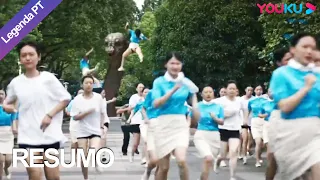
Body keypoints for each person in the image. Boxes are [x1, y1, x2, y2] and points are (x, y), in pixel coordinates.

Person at [3, 41, 71, 180]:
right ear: (20, 59)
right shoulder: (16, 83)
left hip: (49, 134)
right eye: (23, 55)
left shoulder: (48, 78)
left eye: (31, 54)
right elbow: (7, 102)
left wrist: (49, 115)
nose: (27, 58)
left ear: (38, 57)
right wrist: (7, 107)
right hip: (27, 135)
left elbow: (66, 98)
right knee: (34, 173)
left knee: (53, 176)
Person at [269, 32, 320, 180]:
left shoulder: (317, 75)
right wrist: (305, 88)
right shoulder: (281, 74)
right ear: (293, 49)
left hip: (315, 132)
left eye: (312, 47)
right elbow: (284, 107)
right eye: (305, 47)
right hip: (290, 132)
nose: (309, 51)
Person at [152, 52, 200, 180]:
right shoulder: (159, 82)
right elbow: (156, 104)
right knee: (164, 168)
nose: (175, 66)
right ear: (166, 65)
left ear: (181, 65)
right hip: (163, 124)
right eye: (172, 63)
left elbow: (194, 102)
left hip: (180, 124)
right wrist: (173, 90)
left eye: (178, 63)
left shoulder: (186, 82)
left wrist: (196, 110)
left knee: (181, 160)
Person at [70, 75, 106, 179]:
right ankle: (86, 177)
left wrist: (103, 127)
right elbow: (75, 117)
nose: (89, 85)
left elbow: (103, 114)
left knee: (93, 149)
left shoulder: (98, 98)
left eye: (91, 83)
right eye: (86, 83)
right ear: (82, 85)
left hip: (95, 130)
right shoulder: (77, 99)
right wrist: (87, 112)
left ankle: (97, 162)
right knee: (83, 159)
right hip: (82, 131)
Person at [265, 47, 292, 180]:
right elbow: (271, 93)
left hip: (299, 118)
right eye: (288, 59)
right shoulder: (278, 75)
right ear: (279, 62)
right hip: (278, 117)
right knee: (272, 156)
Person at [190, 86, 224, 180]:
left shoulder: (218, 107)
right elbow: (191, 121)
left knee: (208, 162)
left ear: (213, 94)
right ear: (202, 94)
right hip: (201, 134)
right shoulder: (198, 106)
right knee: (208, 158)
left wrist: (215, 118)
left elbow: (222, 121)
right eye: (206, 92)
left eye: (210, 92)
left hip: (214, 135)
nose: (208, 94)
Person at [213, 80, 245, 180]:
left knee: (233, 152)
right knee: (223, 154)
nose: (232, 90)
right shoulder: (219, 101)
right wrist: (223, 115)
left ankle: (232, 176)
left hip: (235, 129)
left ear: (236, 90)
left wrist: (244, 125)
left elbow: (245, 111)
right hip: (223, 129)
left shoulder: (240, 101)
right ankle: (218, 161)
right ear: (226, 90)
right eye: (230, 88)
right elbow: (211, 110)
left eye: (233, 89)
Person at [246, 85, 267, 167]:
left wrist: (264, 116)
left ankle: (259, 155)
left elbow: (268, 111)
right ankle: (257, 160)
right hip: (255, 121)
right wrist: (245, 120)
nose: (259, 91)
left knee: (263, 144)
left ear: (262, 91)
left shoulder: (265, 100)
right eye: (257, 89)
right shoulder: (251, 101)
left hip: (264, 121)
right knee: (258, 142)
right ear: (255, 91)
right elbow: (248, 111)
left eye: (260, 89)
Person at [140, 89, 159, 180]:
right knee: (154, 159)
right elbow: (143, 108)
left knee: (163, 163)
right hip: (152, 125)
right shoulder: (152, 93)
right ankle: (148, 169)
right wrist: (146, 118)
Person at [0, 89, 18, 180]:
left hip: (8, 134)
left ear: (5, 95)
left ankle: (6, 169)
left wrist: (15, 129)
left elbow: (14, 120)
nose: (0, 96)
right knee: (1, 160)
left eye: (2, 94)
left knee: (8, 160)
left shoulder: (10, 108)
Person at [65, 89, 84, 162]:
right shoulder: (73, 102)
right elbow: (67, 111)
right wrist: (73, 115)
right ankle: (74, 156)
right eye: (79, 93)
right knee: (74, 142)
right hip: (74, 124)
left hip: (84, 125)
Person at [239, 86, 254, 164]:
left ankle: (248, 149)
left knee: (251, 140)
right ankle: (244, 156)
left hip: (252, 122)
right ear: (245, 90)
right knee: (245, 139)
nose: (250, 91)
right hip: (243, 122)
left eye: (251, 90)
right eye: (248, 90)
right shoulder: (241, 99)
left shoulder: (254, 99)